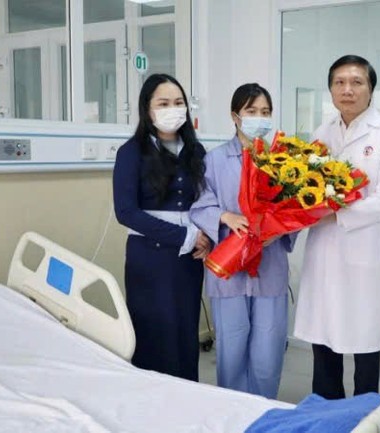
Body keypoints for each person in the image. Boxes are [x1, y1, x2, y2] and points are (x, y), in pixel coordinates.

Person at [293, 54, 380, 399]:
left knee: (363, 340)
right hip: (324, 251)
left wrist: (335, 215)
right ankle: (327, 409)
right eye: (340, 83)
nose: (348, 90)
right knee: (324, 338)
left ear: (371, 89)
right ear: (330, 89)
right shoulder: (321, 133)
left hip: (363, 252)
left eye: (357, 82)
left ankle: (364, 413)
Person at [189, 83, 294, 399]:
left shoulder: (282, 162)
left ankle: (264, 408)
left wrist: (280, 228)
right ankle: (232, 410)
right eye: (252, 111)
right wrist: (225, 217)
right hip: (229, 268)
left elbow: (296, 207)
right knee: (231, 348)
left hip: (270, 267)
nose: (259, 118)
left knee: (268, 350)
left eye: (265, 112)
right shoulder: (214, 160)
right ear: (235, 116)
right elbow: (200, 205)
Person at [113, 73, 210, 381]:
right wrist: (185, 235)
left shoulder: (196, 152)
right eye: (164, 103)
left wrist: (206, 237)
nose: (173, 109)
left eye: (179, 103)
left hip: (189, 260)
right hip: (149, 258)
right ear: (148, 108)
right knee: (154, 335)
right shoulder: (131, 152)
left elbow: (207, 202)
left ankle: (188, 398)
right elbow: (125, 212)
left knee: (185, 333)